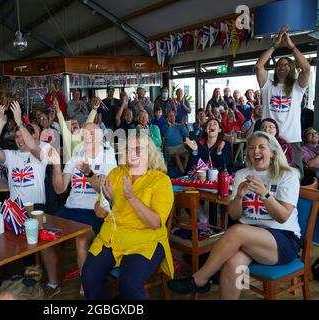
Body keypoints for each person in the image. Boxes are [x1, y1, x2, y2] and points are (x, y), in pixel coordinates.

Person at [168, 131, 301, 299]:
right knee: (233, 264)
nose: (256, 151)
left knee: (237, 231)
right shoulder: (241, 175)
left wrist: (265, 195)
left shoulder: (287, 175)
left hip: (282, 240)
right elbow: (233, 214)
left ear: (273, 152)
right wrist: (238, 196)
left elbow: (283, 217)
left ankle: (200, 279)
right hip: (248, 238)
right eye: (251, 148)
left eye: (262, 147)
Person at [82, 132, 174, 299]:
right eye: (129, 148)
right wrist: (109, 201)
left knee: (129, 283)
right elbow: (99, 212)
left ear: (149, 152)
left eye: (138, 149)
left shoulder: (161, 181)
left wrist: (131, 197)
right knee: (89, 276)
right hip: (111, 237)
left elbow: (155, 222)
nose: (132, 153)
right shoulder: (116, 173)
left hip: (145, 240)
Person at [0, 101, 60, 298]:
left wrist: (19, 121)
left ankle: (54, 283)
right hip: (15, 209)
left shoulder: (43, 150)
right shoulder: (11, 155)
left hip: (36, 208)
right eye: (17, 136)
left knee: (44, 247)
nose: (20, 139)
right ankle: (32, 280)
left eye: (23, 136)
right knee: (25, 249)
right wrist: (2, 123)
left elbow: (34, 148)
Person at [48, 122, 117, 296]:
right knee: (45, 235)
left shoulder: (107, 156)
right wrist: (56, 165)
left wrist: (89, 173)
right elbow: (60, 188)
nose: (88, 137)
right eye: (85, 134)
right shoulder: (77, 154)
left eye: (92, 134)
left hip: (93, 211)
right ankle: (53, 282)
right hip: (70, 209)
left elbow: (106, 192)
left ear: (101, 138)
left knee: (81, 240)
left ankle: (87, 283)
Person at [255, 25, 310, 177]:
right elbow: (259, 66)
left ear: (291, 68)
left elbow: (306, 69)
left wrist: (291, 46)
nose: (282, 67)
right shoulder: (267, 84)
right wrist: (275, 44)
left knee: (294, 176)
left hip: (292, 139)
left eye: (286, 65)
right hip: (269, 139)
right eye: (279, 64)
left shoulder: (297, 86)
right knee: (267, 176)